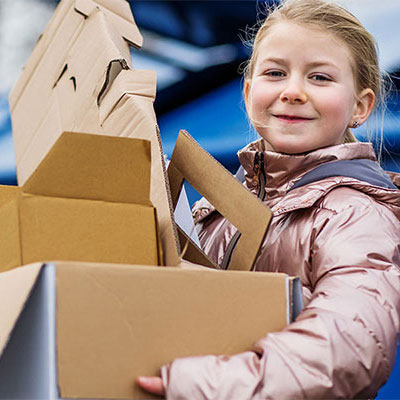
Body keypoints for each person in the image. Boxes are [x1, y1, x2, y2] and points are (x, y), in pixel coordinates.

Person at [138, 0, 400, 397]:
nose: (292, 91)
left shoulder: (356, 216)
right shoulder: (215, 207)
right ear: (248, 93)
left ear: (360, 108)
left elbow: (346, 349)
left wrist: (200, 384)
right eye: (275, 73)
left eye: (320, 78)